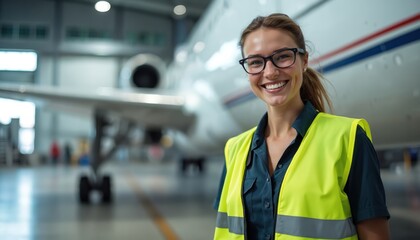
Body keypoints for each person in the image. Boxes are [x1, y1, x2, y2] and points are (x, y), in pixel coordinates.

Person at [213, 13, 390, 240]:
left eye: (283, 57)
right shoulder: (234, 150)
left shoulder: (348, 139)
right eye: (256, 62)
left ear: (304, 61)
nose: (270, 72)